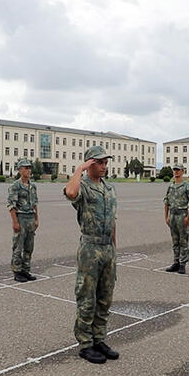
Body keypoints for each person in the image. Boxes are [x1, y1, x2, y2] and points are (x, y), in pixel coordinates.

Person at [64, 146, 119, 364]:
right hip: (90, 248)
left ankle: (99, 338)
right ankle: (85, 344)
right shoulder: (83, 186)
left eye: (106, 163)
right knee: (87, 297)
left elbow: (113, 220)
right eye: (100, 162)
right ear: (90, 164)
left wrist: (114, 248)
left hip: (107, 249)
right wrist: (79, 169)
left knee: (105, 298)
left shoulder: (109, 188)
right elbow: (71, 193)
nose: (104, 167)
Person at [7, 158, 38, 282]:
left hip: (30, 218)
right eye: (26, 168)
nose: (28, 170)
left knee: (29, 247)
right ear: (20, 170)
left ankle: (26, 270)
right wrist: (15, 222)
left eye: (29, 167)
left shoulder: (33, 186)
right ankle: (17, 271)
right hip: (21, 218)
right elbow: (11, 205)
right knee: (18, 247)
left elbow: (35, 204)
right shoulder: (15, 186)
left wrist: (37, 219)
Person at [163, 163, 189, 274]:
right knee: (175, 240)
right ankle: (176, 262)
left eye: (178, 170)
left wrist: (188, 217)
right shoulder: (170, 186)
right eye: (175, 170)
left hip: (182, 215)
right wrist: (166, 217)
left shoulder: (187, 186)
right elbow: (166, 202)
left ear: (182, 171)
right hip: (173, 215)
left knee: (183, 240)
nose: (176, 172)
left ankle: (183, 263)